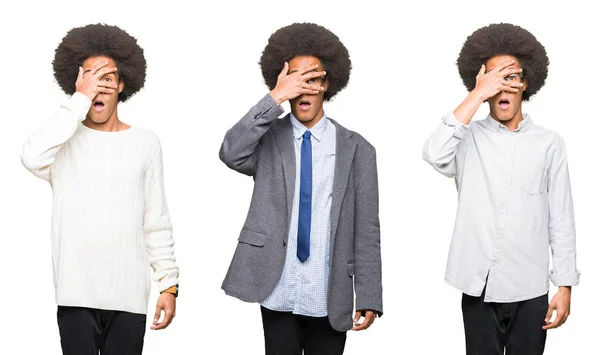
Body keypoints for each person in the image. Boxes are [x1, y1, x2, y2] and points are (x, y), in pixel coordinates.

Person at [219, 22, 382, 355]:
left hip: (330, 292)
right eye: (295, 79)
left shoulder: (358, 149)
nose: (304, 88)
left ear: (327, 84)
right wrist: (275, 97)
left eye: (312, 79)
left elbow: (366, 229)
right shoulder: (266, 140)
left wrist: (369, 295)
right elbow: (230, 152)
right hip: (277, 286)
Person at [21, 23, 179, 355]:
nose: (99, 87)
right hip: (75, 297)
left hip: (129, 299)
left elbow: (156, 220)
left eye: (107, 78)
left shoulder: (146, 143)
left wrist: (169, 284)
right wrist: (78, 101)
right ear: (77, 84)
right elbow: (31, 156)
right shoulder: (63, 143)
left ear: (122, 84)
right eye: (90, 77)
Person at [423, 23, 580, 354]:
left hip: (530, 288)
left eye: (511, 77)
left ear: (525, 84)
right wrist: (477, 94)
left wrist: (564, 285)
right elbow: (434, 153)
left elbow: (561, 218)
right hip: (477, 285)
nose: (503, 86)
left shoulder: (549, 144)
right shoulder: (465, 137)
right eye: (494, 78)